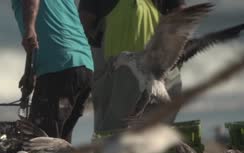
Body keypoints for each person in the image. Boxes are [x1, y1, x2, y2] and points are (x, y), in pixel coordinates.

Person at [78, 0, 185, 132]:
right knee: (157, 133)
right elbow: (180, 18)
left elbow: (85, 24)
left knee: (110, 132)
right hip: (160, 70)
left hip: (118, 74)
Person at [11, 0, 94, 143]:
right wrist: (33, 71)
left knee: (43, 141)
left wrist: (29, 27)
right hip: (84, 66)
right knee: (61, 142)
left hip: (59, 69)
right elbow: (52, 27)